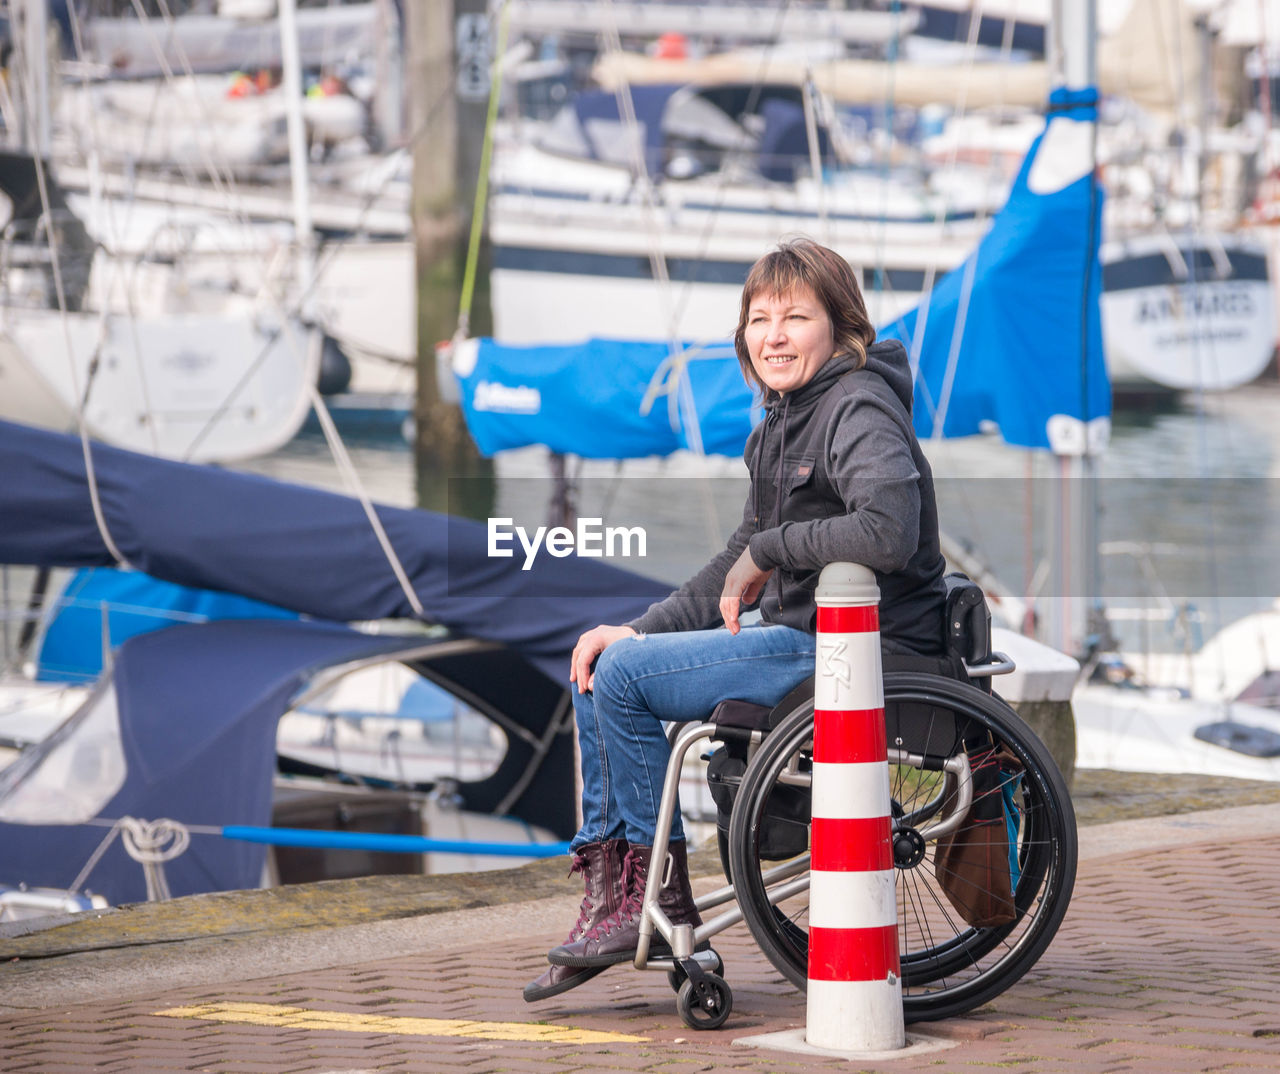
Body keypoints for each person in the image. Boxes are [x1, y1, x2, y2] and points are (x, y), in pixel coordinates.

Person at [524, 238, 947, 1002]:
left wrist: (771, 548)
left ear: (840, 326)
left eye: (795, 316)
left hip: (858, 645)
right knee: (603, 663)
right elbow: (734, 562)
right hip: (800, 638)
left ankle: (651, 899)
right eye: (759, 319)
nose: (774, 335)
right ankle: (620, 891)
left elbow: (890, 527)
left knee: (620, 682)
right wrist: (643, 629)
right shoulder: (781, 420)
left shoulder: (856, 403)